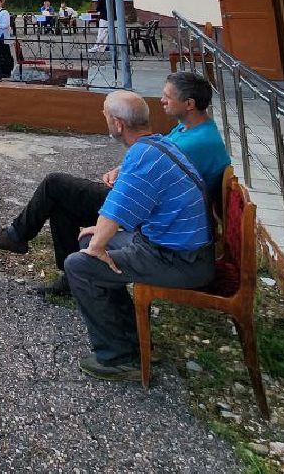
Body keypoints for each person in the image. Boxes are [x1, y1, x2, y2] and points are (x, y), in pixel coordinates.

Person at [0, 72, 230, 296]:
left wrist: (123, 179)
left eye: (168, 96)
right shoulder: (187, 129)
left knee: (57, 185)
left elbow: (152, 172)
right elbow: (155, 156)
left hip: (157, 215)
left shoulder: (198, 142)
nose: (162, 100)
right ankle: (70, 274)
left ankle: (17, 236)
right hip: (156, 205)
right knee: (63, 202)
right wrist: (122, 169)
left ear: (189, 104)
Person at [64, 92, 214, 381]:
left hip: (179, 260)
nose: (105, 119)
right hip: (168, 245)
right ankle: (131, 339)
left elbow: (117, 208)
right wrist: (98, 239)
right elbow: (124, 204)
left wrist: (97, 248)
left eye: (106, 115)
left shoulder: (142, 155)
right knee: (88, 243)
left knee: (80, 265)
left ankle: (119, 358)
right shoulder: (157, 145)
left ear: (118, 124)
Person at [0, 0, 15, 80]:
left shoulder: (4, 12)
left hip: (2, 37)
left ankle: (6, 72)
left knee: (4, 54)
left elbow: (6, 25)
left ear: (1, 3)